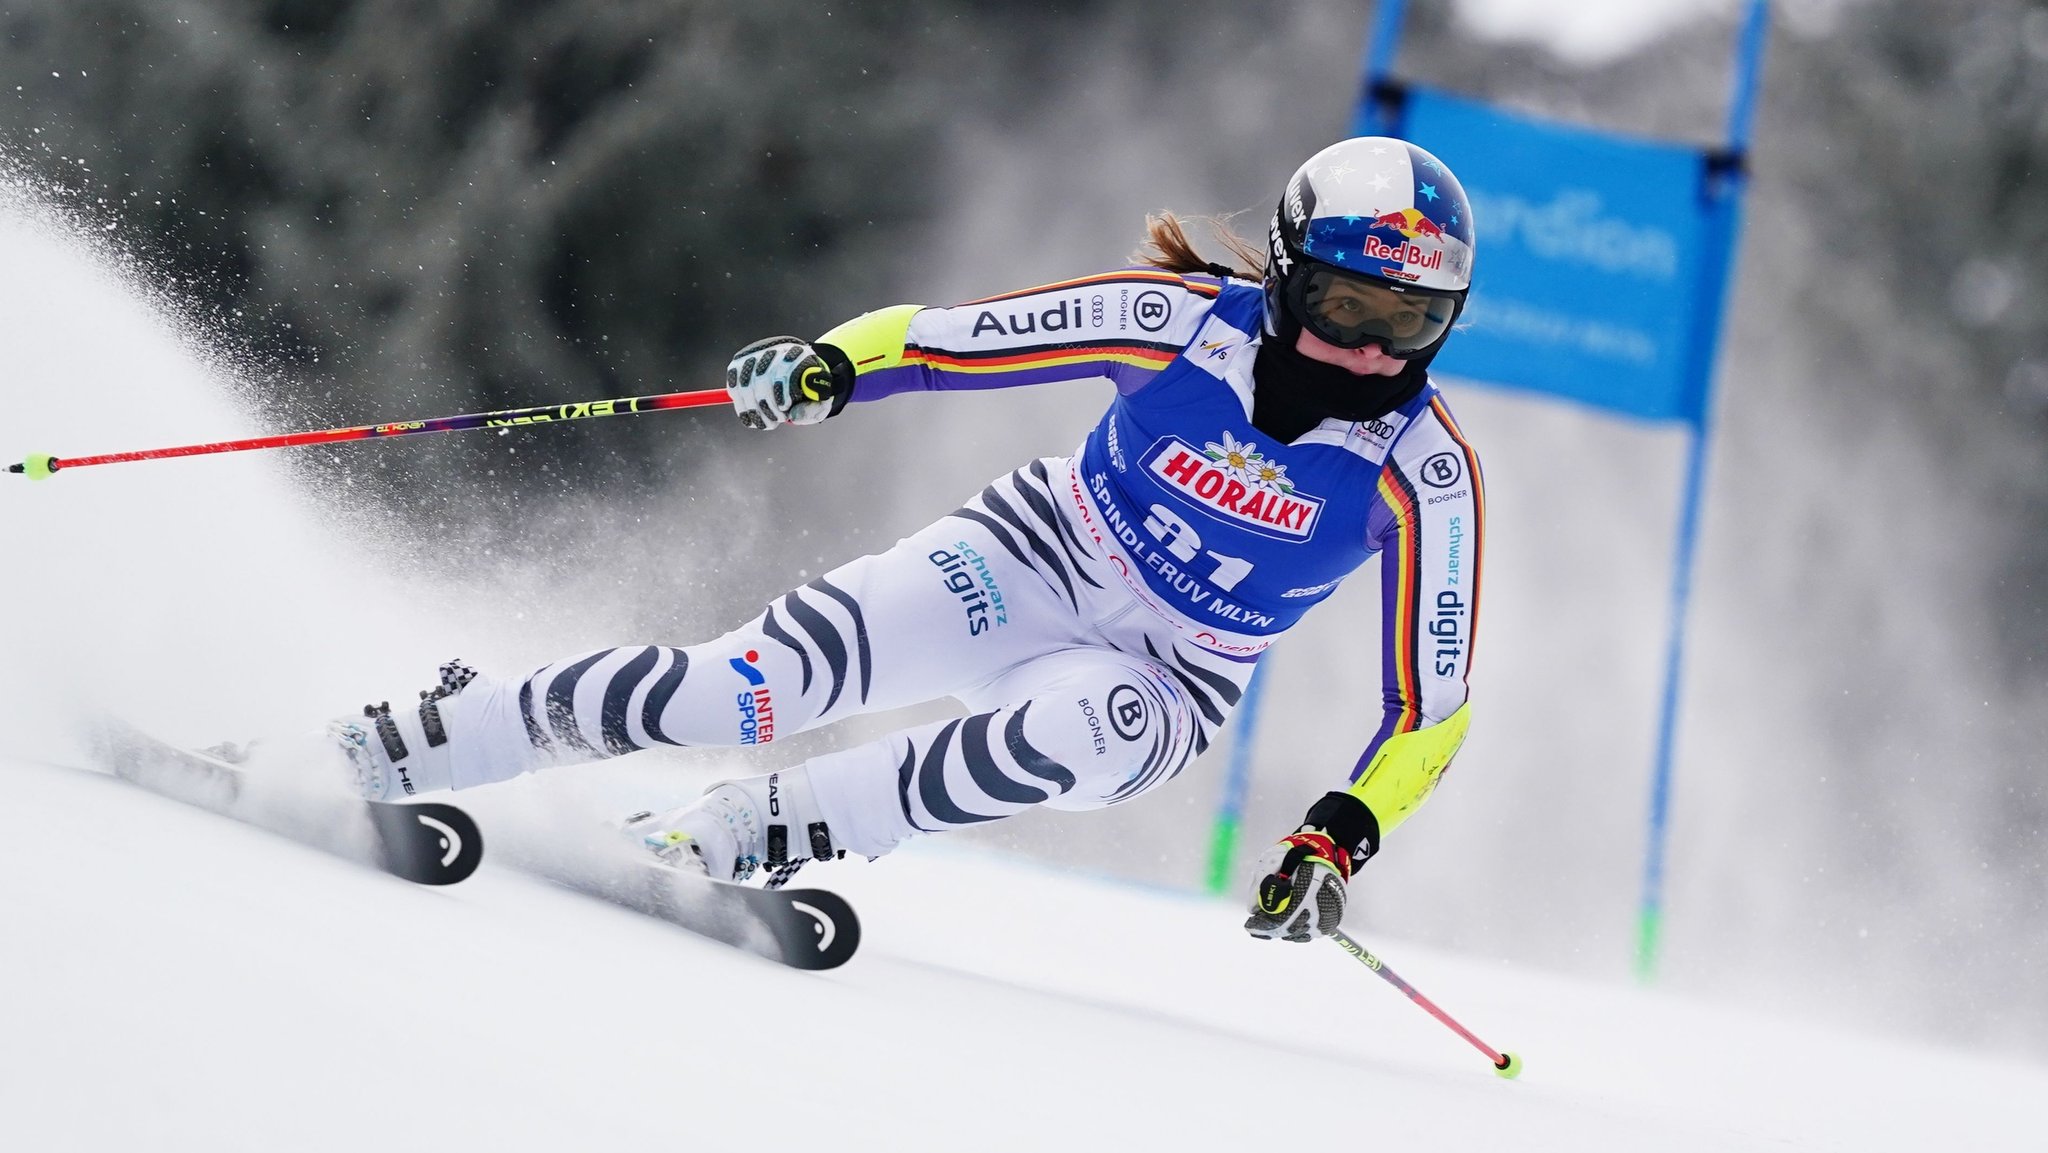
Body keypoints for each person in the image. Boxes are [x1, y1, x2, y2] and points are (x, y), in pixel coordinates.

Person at [331, 136, 1485, 943]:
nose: (1376, 354)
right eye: (1348, 309)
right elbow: (938, 342)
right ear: (1288, 277)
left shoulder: (1424, 477)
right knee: (748, 692)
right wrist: (827, 367)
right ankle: (429, 736)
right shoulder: (1168, 325)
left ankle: (751, 830)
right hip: (1033, 555)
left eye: (1413, 322)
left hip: (1166, 679)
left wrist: (1340, 835)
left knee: (1073, 727)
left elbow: (1430, 708)